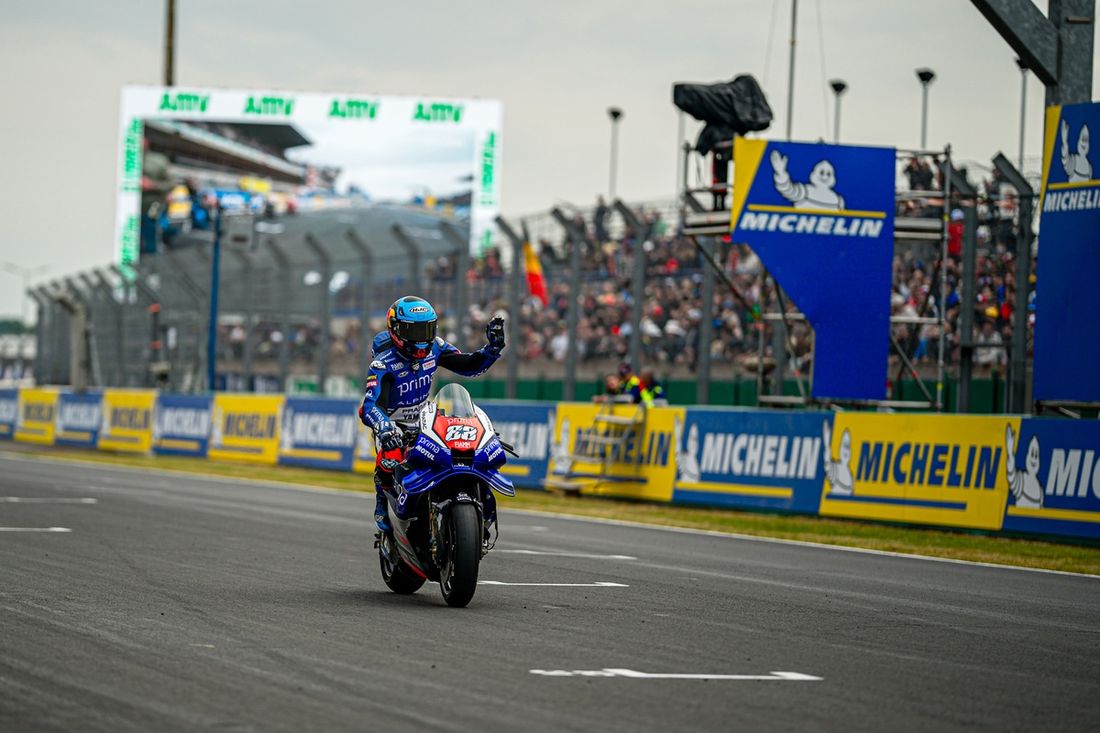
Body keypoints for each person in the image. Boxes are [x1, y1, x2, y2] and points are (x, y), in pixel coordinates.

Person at [358, 296, 505, 531]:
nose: (422, 339)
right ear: (396, 330)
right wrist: (384, 427)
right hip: (393, 423)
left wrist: (491, 351)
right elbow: (369, 406)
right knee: (390, 457)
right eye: (414, 331)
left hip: (426, 417)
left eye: (426, 329)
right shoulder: (382, 364)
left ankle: (479, 507)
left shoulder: (435, 346)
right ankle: (382, 502)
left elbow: (468, 366)